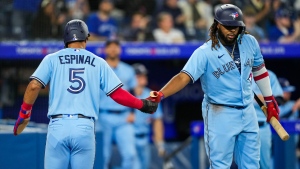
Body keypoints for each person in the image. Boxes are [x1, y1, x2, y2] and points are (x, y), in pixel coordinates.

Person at [12, 19, 158, 169]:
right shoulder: (98, 62)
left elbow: (34, 86)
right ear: (86, 38)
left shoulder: (51, 59)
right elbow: (117, 94)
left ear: (66, 38)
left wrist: (25, 112)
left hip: (58, 126)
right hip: (85, 126)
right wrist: (142, 104)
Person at [148, 4, 280, 168]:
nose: (232, 30)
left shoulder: (250, 41)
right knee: (220, 165)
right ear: (217, 24)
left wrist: (269, 99)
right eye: (228, 26)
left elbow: (260, 70)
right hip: (220, 113)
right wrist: (160, 94)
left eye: (236, 26)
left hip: (248, 111)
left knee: (252, 165)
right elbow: (183, 77)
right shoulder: (205, 52)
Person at [98, 39, 139, 169]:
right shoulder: (98, 68)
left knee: (130, 155)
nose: (113, 49)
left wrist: (133, 112)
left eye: (116, 46)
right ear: (105, 50)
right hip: (103, 116)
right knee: (102, 156)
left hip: (124, 117)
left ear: (120, 50)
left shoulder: (128, 69)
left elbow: (133, 92)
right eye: (110, 46)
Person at [132, 63, 165, 169]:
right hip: (129, 139)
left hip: (145, 139)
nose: (143, 78)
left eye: (144, 75)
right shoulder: (126, 93)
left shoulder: (151, 95)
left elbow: (157, 121)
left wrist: (160, 144)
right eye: (140, 75)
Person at [252, 70, 283, 169]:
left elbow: (279, 100)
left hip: (262, 126)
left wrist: (263, 98)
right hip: (241, 126)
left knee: (265, 165)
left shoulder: (269, 75)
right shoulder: (236, 73)